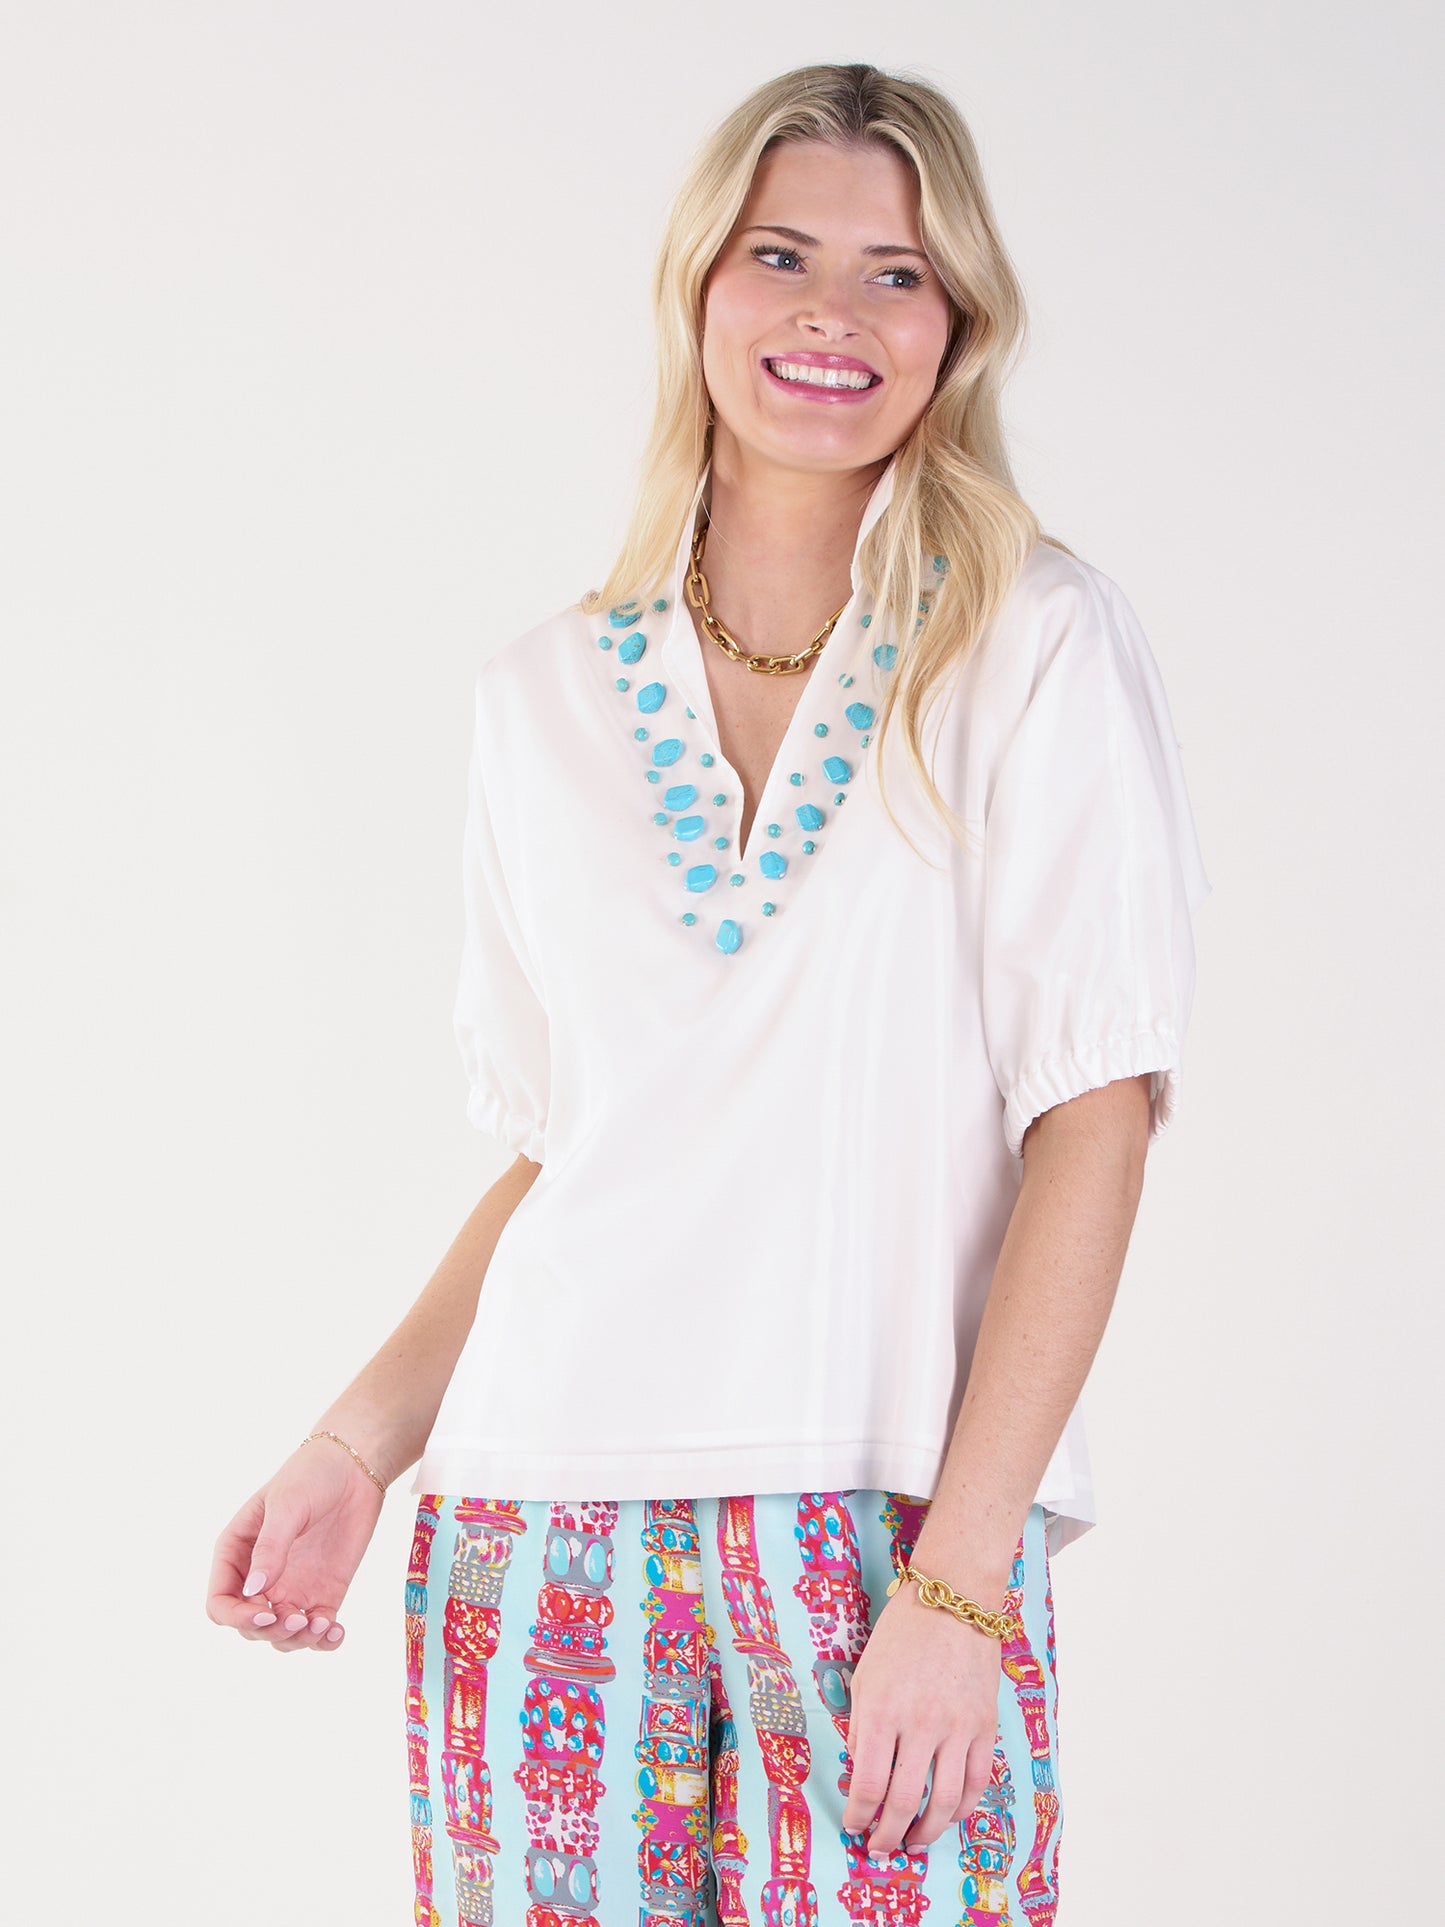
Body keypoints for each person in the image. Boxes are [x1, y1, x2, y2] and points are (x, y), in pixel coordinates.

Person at [207, 61, 1210, 1924]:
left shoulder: (1034, 643)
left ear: (957, 325)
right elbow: (565, 1149)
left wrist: (962, 1579)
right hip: (534, 1523)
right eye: (781, 255)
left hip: (884, 1527)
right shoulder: (539, 693)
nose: (835, 313)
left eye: (898, 273)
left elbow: (1093, 1114)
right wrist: (358, 1443)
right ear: (696, 286)